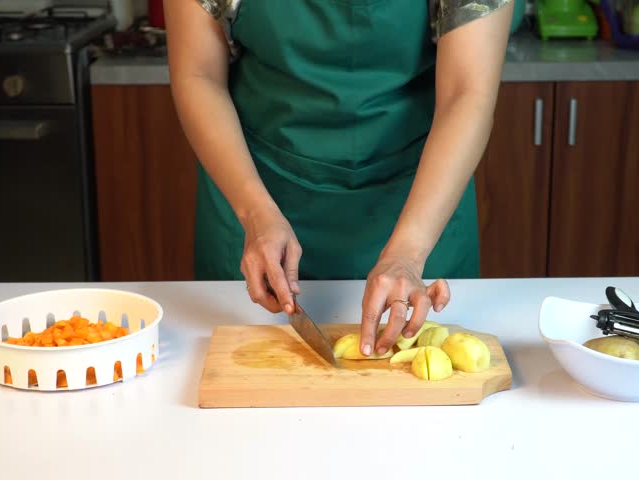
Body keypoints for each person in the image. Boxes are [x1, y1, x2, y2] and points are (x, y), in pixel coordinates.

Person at [165, 0, 513, 357]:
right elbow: (198, 73)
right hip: (253, 187)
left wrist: (408, 253)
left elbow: (466, 91)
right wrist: (254, 211)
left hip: (420, 199)